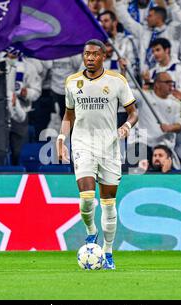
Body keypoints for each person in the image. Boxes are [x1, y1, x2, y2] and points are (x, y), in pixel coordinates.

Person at [57, 39, 138, 270]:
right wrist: (61, 139)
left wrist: (126, 127)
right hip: (82, 144)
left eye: (94, 54)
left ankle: (108, 251)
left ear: (103, 56)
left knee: (109, 205)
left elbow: (133, 112)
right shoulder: (72, 82)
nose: (90, 58)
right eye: (86, 54)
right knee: (86, 199)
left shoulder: (117, 81)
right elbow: (68, 115)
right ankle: (91, 230)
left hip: (109, 147)